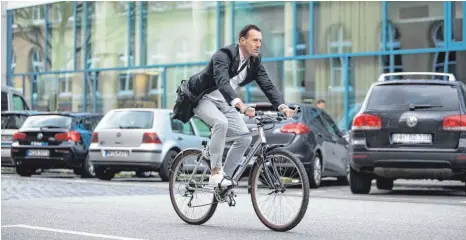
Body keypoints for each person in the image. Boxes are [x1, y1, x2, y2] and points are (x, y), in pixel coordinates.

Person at [180, 24, 296, 187]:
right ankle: (215, 173)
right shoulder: (223, 55)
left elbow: (268, 86)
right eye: (255, 40)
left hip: (225, 103)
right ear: (242, 40)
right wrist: (242, 106)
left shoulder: (254, 62)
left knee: (245, 137)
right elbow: (222, 82)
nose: (258, 44)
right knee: (221, 123)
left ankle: (224, 180)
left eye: (260, 41)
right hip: (203, 99)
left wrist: (282, 107)